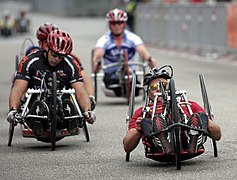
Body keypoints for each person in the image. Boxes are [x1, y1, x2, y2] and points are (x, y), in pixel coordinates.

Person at [7, 29, 95, 136]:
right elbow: (17, 89)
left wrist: (87, 110)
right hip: (36, 107)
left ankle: (71, 116)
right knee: (36, 106)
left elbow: (80, 91)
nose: (57, 59)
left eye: (61, 56)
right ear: (46, 48)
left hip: (62, 107)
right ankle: (37, 121)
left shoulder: (71, 63)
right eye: (54, 54)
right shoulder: (30, 61)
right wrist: (13, 110)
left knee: (69, 102)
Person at [123, 67, 221, 157]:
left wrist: (205, 122)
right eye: (153, 87)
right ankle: (162, 141)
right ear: (148, 93)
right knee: (147, 121)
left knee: (199, 116)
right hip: (156, 138)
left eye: (164, 84)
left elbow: (217, 135)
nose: (159, 88)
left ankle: (194, 137)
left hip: (187, 136)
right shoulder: (142, 111)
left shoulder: (188, 104)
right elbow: (127, 147)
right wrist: (138, 129)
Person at [92, 8, 157, 97]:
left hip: (130, 74)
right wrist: (97, 62)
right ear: (109, 25)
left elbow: (142, 51)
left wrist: (150, 60)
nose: (116, 26)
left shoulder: (133, 38)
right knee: (112, 85)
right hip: (111, 76)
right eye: (113, 23)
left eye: (119, 23)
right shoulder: (104, 39)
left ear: (124, 24)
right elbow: (98, 53)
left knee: (138, 88)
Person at [33, 23, 96, 109]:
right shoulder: (33, 56)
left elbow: (83, 77)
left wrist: (90, 97)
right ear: (41, 43)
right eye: (48, 42)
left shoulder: (70, 58)